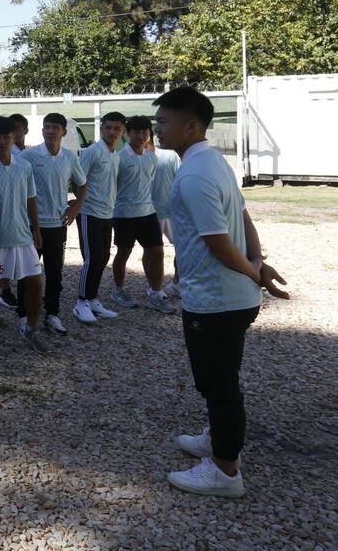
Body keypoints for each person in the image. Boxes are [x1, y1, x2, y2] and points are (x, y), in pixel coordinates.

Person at [152, 86, 289, 497]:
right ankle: (217, 439)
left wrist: (252, 270)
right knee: (221, 379)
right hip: (228, 297)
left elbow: (218, 241)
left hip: (216, 299)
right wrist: (259, 262)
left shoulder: (194, 174)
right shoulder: (213, 162)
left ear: (190, 126)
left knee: (219, 385)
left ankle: (226, 472)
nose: (157, 129)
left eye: (164, 122)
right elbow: (243, 214)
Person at [0, 117, 49, 358]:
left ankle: (31, 329)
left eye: (6, 136)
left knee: (34, 283)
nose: (2, 141)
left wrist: (36, 228)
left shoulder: (24, 166)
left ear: (15, 137)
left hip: (23, 235)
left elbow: (31, 197)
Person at [20, 113, 87, 335]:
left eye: (55, 127)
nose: (50, 131)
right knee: (27, 273)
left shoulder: (69, 157)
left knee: (55, 272)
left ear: (63, 132)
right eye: (47, 127)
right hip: (31, 224)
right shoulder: (29, 156)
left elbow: (82, 183)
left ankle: (52, 314)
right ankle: (23, 315)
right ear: (42, 131)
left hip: (58, 224)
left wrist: (77, 207)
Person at [110, 116, 175, 314]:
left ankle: (155, 293)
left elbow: (149, 183)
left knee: (157, 251)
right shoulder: (119, 158)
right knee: (123, 253)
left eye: (145, 131)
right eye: (137, 131)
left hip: (148, 213)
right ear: (128, 134)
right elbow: (112, 185)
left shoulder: (151, 157)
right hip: (124, 214)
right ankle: (119, 290)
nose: (141, 135)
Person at [73, 112, 127, 325]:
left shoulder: (115, 154)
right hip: (89, 212)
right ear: (102, 128)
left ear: (122, 132)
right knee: (92, 258)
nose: (112, 132)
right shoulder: (93, 151)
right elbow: (78, 179)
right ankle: (81, 303)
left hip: (107, 213)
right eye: (108, 127)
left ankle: (92, 298)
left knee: (103, 257)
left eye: (117, 129)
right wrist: (79, 204)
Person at [151, 138, 182, 298]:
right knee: (152, 251)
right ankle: (154, 287)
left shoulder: (170, 156)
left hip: (171, 212)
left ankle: (178, 282)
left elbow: (180, 180)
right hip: (146, 212)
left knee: (183, 247)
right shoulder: (129, 157)